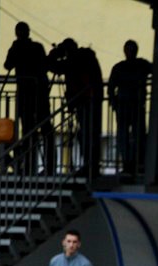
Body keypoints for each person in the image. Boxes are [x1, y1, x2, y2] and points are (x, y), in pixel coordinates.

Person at [3, 22, 54, 175]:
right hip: (39, 94)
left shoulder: (18, 48)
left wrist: (14, 47)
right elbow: (45, 66)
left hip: (27, 96)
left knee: (29, 132)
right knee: (45, 130)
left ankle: (30, 166)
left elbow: (7, 65)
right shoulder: (37, 47)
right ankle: (47, 166)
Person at [47, 38, 103, 177]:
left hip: (85, 101)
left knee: (86, 135)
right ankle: (92, 166)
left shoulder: (75, 59)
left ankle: (89, 167)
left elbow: (54, 66)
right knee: (89, 134)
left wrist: (54, 53)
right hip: (90, 100)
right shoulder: (86, 57)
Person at [108, 40, 152, 178]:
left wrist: (114, 103)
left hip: (134, 105)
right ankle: (130, 163)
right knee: (126, 136)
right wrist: (114, 104)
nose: (130, 52)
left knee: (136, 136)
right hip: (125, 105)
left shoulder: (139, 65)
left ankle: (135, 163)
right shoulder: (135, 65)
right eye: (129, 49)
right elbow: (110, 89)